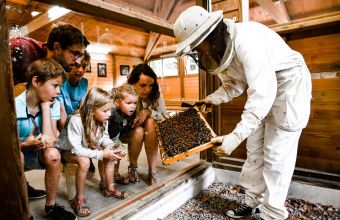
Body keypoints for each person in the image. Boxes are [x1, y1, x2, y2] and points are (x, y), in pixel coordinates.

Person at [174, 6, 312, 220]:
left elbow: (262, 94)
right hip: (265, 86)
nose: (197, 51)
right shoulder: (220, 50)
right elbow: (233, 85)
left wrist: (235, 136)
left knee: (276, 152)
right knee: (254, 148)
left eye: (195, 46)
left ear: (209, 35)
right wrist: (210, 100)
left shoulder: (248, 41)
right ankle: (252, 203)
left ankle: (273, 213)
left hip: (289, 82)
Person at [15, 58, 76, 220]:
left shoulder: (52, 103)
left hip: (36, 152)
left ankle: (51, 206)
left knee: (53, 154)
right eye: (55, 85)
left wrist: (45, 107)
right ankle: (24, 212)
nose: (58, 92)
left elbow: (50, 141)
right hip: (15, 153)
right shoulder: (12, 106)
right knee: (18, 157)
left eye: (60, 87)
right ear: (36, 81)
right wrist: (23, 145)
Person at [56, 87, 128, 217]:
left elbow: (104, 138)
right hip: (65, 150)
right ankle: (79, 199)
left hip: (87, 144)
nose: (109, 114)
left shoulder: (102, 119)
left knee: (110, 151)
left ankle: (109, 188)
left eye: (110, 110)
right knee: (84, 162)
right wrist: (101, 154)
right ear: (92, 109)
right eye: (105, 110)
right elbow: (76, 149)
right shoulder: (76, 120)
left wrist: (112, 146)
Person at [127, 64, 169, 185]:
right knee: (138, 131)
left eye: (151, 85)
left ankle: (152, 169)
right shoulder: (125, 91)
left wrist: (148, 112)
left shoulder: (155, 91)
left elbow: (164, 117)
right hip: (129, 130)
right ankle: (133, 167)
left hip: (150, 129)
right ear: (132, 83)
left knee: (151, 121)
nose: (148, 90)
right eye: (143, 85)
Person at [57, 50, 96, 172]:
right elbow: (61, 113)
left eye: (84, 66)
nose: (80, 70)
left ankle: (88, 154)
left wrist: (88, 126)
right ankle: (67, 152)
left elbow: (83, 107)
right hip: (63, 122)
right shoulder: (60, 83)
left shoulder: (84, 82)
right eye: (77, 65)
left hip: (78, 118)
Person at [107, 83, 139, 186]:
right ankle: (104, 180)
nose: (133, 106)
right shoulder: (112, 114)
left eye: (135, 103)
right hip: (104, 138)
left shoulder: (131, 113)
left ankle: (115, 175)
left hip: (116, 137)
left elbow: (124, 129)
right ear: (117, 102)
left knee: (119, 151)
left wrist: (118, 143)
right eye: (129, 103)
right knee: (107, 157)